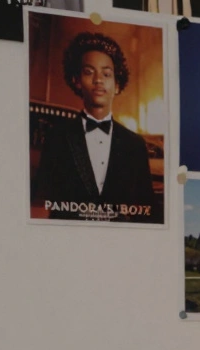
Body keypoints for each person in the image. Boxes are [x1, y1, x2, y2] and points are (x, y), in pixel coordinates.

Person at [33, 32, 156, 223]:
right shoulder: (56, 138)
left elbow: (149, 212)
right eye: (89, 72)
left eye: (106, 74)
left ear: (117, 85)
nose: (98, 79)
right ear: (76, 81)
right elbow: (43, 203)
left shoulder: (135, 144)